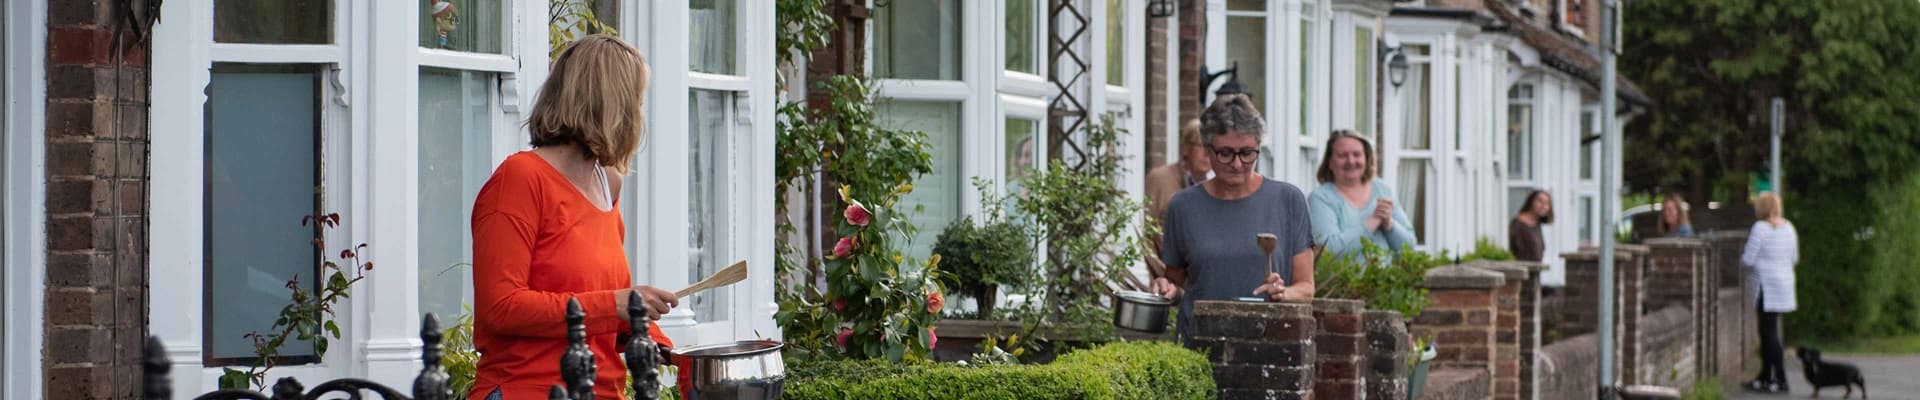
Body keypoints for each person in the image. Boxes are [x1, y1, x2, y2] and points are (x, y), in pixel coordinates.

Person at [469, 35, 680, 400]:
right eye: (637, 102)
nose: (640, 115)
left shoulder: (606, 183)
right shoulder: (520, 179)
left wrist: (651, 335)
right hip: (530, 390)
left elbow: (594, 308)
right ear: (613, 107)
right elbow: (500, 308)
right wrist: (617, 302)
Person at [1152, 94, 1317, 338]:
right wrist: (1166, 289)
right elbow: (1177, 285)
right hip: (1199, 346)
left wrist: (1283, 293)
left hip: (1269, 348)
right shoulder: (1183, 206)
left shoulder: (1288, 200)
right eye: (1226, 153)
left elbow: (1306, 288)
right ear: (1208, 150)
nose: (1237, 164)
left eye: (1247, 152)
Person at [1308, 130, 1416, 259]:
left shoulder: (1382, 189)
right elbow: (1327, 251)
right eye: (1343, 155)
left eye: (1357, 154)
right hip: (1343, 279)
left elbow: (1409, 246)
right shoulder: (1320, 198)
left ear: (1366, 158)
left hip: (1388, 277)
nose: (1351, 161)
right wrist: (1373, 222)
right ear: (1330, 162)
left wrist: (1389, 224)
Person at [1742, 192, 1797, 394]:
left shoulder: (1760, 228)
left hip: (1766, 287)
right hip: (1783, 286)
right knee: (1767, 333)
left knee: (1769, 334)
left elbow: (1748, 260)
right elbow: (1794, 257)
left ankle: (1781, 380)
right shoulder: (1789, 227)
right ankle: (1765, 376)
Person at [1145, 119, 1213, 223]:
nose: (1207, 153)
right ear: (1186, 147)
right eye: (1201, 145)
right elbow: (1143, 226)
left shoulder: (1215, 187)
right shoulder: (1159, 179)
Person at [1508, 190, 1553, 262]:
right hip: (1521, 270)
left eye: (1547, 203)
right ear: (1531, 201)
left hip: (1535, 271)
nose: (1543, 206)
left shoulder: (1537, 224)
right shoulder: (1518, 224)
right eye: (1540, 201)